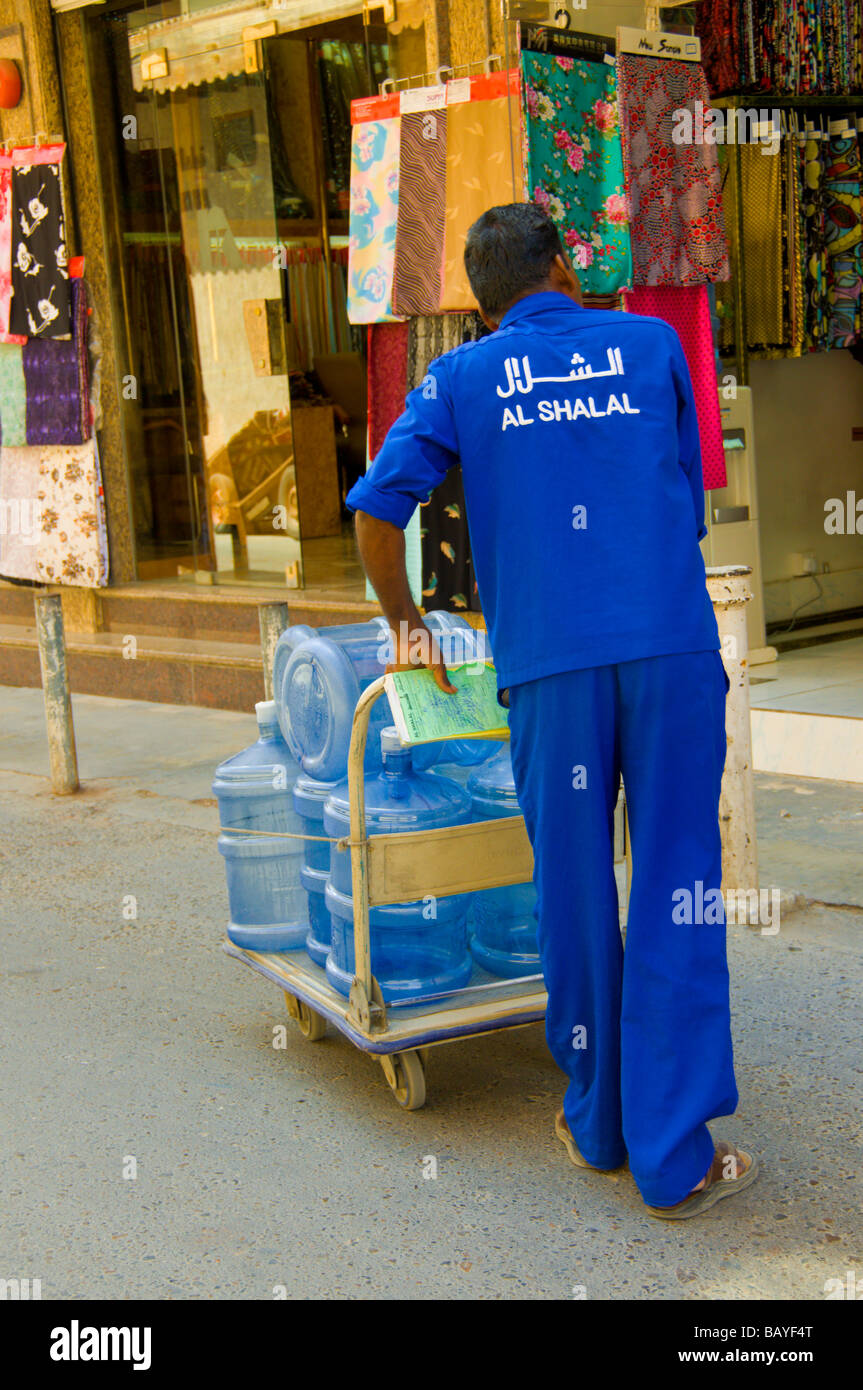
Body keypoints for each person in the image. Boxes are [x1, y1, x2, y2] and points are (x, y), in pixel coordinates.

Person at [346, 203, 759, 1218]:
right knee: (675, 883)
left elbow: (373, 509)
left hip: (546, 669)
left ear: (481, 305)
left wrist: (408, 628)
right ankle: (674, 1155)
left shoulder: (460, 375)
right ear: (565, 266)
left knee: (571, 890)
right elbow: (680, 495)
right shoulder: (652, 342)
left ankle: (597, 1121)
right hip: (665, 650)